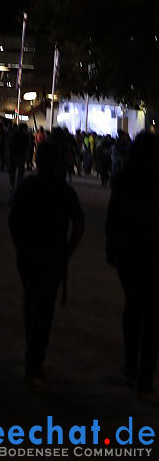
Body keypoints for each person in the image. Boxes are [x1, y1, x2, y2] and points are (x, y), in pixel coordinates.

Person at [9, 140, 85, 385]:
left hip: (31, 253)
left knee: (31, 302)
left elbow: (13, 219)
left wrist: (19, 243)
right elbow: (79, 223)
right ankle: (34, 359)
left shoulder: (27, 186)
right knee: (44, 307)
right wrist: (68, 250)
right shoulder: (63, 191)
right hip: (52, 255)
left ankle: (32, 354)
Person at [106, 132, 159, 401]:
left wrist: (111, 247)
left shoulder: (125, 179)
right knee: (152, 318)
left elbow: (113, 216)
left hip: (129, 253)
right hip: (153, 254)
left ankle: (130, 366)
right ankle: (145, 378)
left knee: (133, 308)